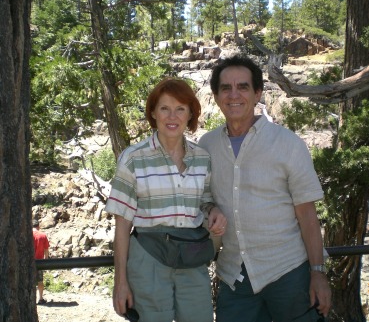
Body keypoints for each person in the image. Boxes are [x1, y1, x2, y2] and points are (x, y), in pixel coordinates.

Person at [198, 54, 332, 322]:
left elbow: (307, 214)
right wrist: (211, 208)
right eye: (226, 88)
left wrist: (317, 273)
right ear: (215, 95)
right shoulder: (206, 146)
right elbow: (204, 197)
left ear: (258, 93)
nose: (234, 95)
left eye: (243, 87)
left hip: (289, 273)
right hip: (234, 277)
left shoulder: (289, 144)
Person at [105, 78, 227, 322]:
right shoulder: (133, 158)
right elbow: (122, 223)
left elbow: (204, 201)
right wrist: (121, 282)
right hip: (148, 258)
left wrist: (213, 210)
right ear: (153, 112)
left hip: (192, 257)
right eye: (164, 108)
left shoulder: (202, 158)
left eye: (180, 108)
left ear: (190, 113)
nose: (172, 116)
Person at [33, 219, 50, 305]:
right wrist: (46, 260)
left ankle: (30, 299)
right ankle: (40, 298)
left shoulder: (26, 235)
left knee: (29, 280)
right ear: (38, 226)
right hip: (40, 262)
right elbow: (46, 249)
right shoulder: (42, 235)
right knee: (40, 281)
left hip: (28, 263)